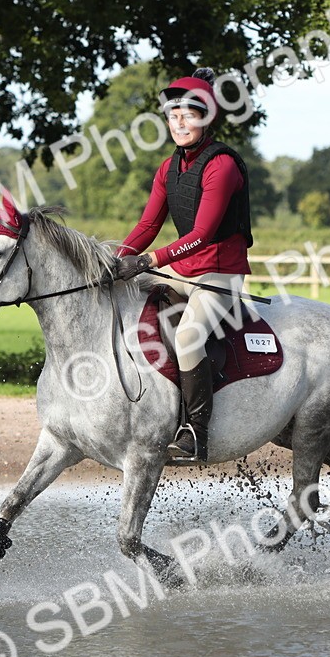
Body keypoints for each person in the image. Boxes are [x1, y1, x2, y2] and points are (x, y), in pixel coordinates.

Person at [114, 67, 253, 464]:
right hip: (182, 269)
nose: (179, 123)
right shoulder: (167, 168)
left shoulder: (221, 165)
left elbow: (204, 233)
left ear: (206, 117)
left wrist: (148, 260)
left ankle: (196, 432)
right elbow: (147, 225)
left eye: (188, 115)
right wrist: (115, 261)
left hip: (219, 274)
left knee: (189, 336)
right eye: (173, 117)